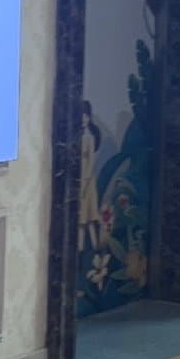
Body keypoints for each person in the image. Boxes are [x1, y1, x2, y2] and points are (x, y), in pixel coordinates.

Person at [79, 100, 103, 249]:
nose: (83, 119)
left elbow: (91, 161)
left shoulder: (89, 137)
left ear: (89, 117)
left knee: (88, 218)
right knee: (82, 218)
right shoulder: (80, 135)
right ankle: (81, 249)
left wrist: (85, 180)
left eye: (85, 116)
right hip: (81, 176)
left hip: (86, 180)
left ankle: (95, 247)